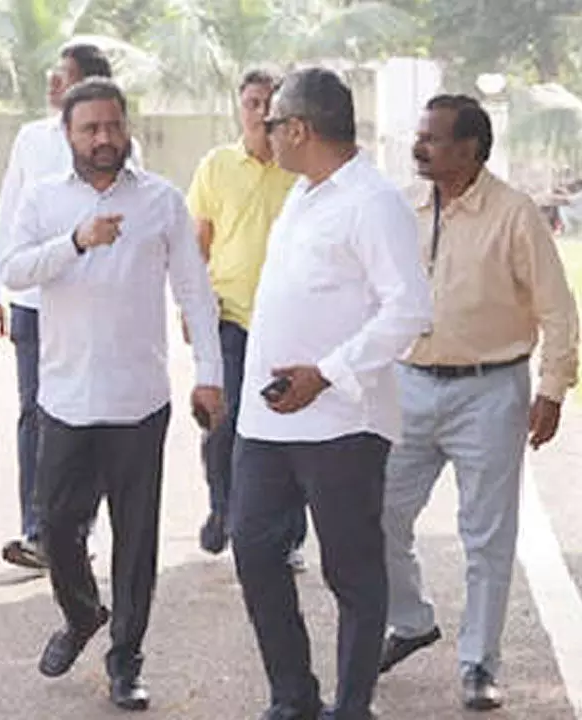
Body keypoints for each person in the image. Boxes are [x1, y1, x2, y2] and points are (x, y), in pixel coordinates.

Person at [1, 77, 224, 711]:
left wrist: (209, 374)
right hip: (66, 399)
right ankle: (80, 616)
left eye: (113, 126)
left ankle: (127, 659)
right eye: (90, 128)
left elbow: (194, 293)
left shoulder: (161, 201)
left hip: (138, 401)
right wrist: (75, 242)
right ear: (67, 135)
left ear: (128, 130)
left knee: (136, 539)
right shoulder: (44, 201)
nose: (104, 138)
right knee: (59, 528)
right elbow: (14, 271)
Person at [231, 68, 432, 720]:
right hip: (268, 426)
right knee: (255, 552)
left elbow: (409, 312)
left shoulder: (372, 203)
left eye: (272, 123)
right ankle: (294, 698)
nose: (262, 132)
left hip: (343, 423)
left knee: (351, 573)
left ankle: (351, 708)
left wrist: (326, 373)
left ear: (299, 129)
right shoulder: (305, 194)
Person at [379, 95, 579, 711]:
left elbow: (558, 310)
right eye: (419, 136)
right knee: (375, 513)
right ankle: (410, 620)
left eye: (432, 139)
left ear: (470, 149)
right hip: (408, 386)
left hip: (492, 391)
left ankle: (478, 665)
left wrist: (551, 390)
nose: (419, 147)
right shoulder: (399, 208)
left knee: (487, 537)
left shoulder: (516, 214)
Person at [0, 43, 143, 570]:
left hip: (90, 304)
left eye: (64, 77)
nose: (52, 84)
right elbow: (9, 217)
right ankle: (40, 530)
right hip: (32, 298)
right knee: (36, 411)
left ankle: (75, 528)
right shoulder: (31, 140)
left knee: (89, 412)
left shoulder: (124, 152)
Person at [186, 69, 307, 569]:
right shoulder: (216, 165)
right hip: (228, 316)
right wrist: (191, 309)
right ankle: (223, 510)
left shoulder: (300, 171)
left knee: (291, 423)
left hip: (288, 323)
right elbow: (198, 241)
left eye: (268, 104)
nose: (260, 112)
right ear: (241, 108)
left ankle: (289, 536)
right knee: (222, 418)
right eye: (252, 103)